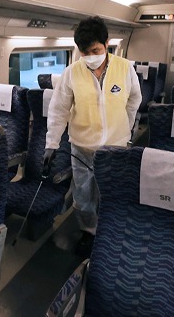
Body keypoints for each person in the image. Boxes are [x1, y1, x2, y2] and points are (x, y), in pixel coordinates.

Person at [43, 16, 142, 256]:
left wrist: (125, 130)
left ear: (107, 43)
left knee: (112, 193)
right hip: (82, 148)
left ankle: (111, 232)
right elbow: (59, 110)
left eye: (95, 50)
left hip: (115, 149)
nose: (90, 56)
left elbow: (134, 101)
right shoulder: (72, 72)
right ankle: (89, 232)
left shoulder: (125, 68)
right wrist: (51, 143)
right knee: (83, 196)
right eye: (84, 52)